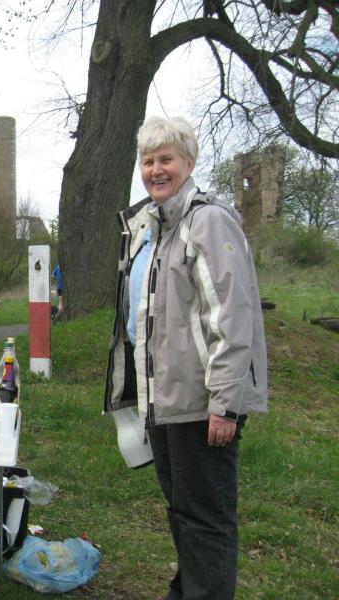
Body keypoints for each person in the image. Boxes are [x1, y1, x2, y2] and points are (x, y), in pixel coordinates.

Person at [104, 116, 268, 599]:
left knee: (207, 518)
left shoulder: (207, 221)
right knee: (183, 512)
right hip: (165, 399)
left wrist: (225, 403)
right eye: (148, 161)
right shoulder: (154, 228)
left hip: (202, 401)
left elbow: (231, 317)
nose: (156, 170)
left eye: (166, 159)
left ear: (189, 163)